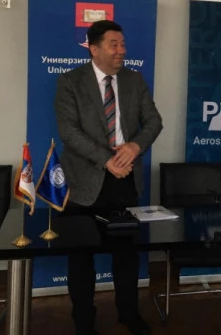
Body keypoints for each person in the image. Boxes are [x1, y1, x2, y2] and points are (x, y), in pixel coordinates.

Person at [55, 20, 163, 335]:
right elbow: (69, 132)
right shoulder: (70, 81)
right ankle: (84, 322)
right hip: (83, 184)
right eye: (114, 44)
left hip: (125, 181)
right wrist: (107, 160)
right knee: (81, 259)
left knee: (126, 256)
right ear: (94, 48)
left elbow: (153, 121)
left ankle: (128, 314)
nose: (121, 51)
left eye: (123, 44)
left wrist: (135, 146)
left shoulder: (134, 80)